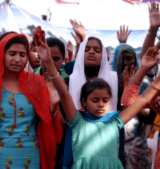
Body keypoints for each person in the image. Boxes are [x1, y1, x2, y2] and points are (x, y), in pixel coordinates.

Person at [39, 39, 160, 168]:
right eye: (95, 100)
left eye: (106, 100)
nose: (101, 104)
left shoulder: (115, 121)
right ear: (83, 102)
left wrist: (144, 69)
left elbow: (137, 102)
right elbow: (63, 93)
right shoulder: (77, 120)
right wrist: (49, 63)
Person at [0, 33, 61, 169]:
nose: (17, 59)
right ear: (2, 54)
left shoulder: (36, 82)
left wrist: (53, 106)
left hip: (31, 154)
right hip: (0, 155)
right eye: (12, 54)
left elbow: (45, 121)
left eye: (22, 55)